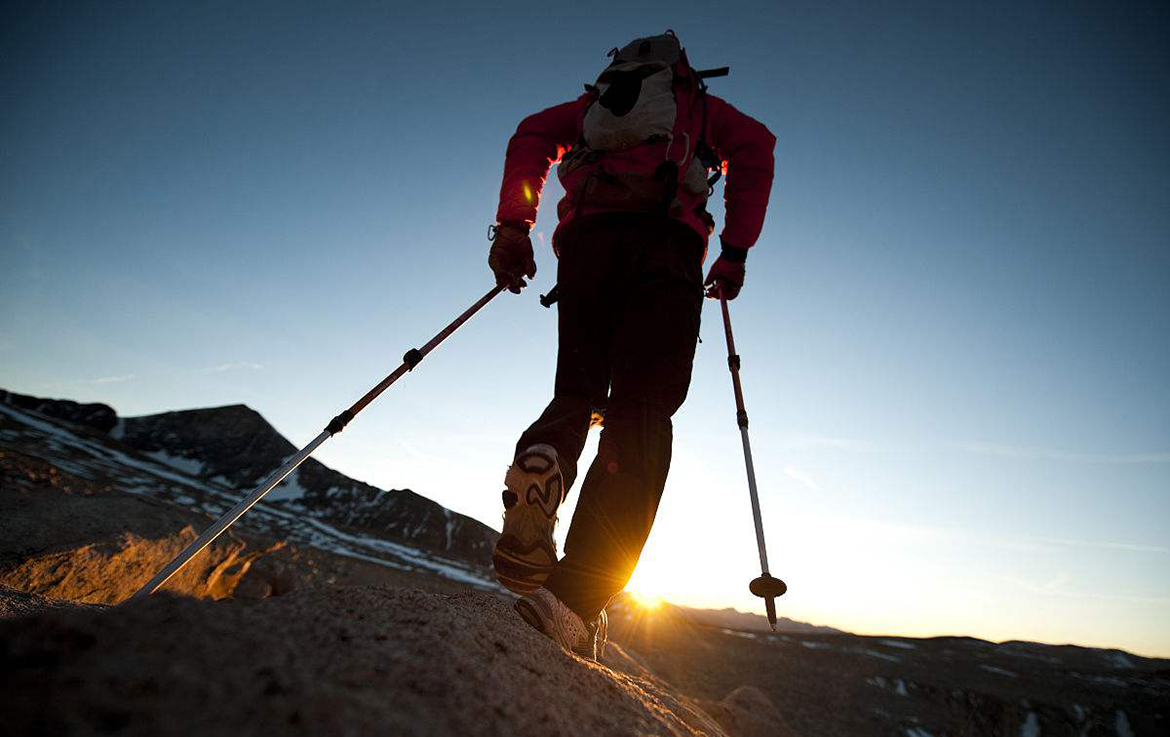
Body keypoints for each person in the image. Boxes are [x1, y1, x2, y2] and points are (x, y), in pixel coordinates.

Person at [487, 31, 775, 659]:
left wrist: (515, 225)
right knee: (641, 410)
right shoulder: (697, 107)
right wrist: (734, 251)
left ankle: (543, 455)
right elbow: (756, 146)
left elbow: (531, 134)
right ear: (682, 71)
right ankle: (572, 600)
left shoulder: (593, 105)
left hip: (587, 249)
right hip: (667, 251)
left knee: (576, 390)